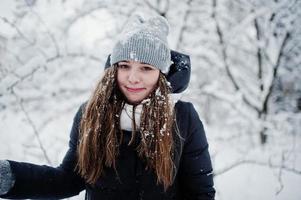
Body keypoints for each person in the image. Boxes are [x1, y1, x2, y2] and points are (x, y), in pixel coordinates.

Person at [0, 13, 215, 200]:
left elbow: (199, 194)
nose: (133, 78)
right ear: (114, 69)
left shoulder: (182, 118)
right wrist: (7, 176)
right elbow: (67, 179)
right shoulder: (91, 114)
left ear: (161, 74)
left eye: (146, 68)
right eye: (124, 66)